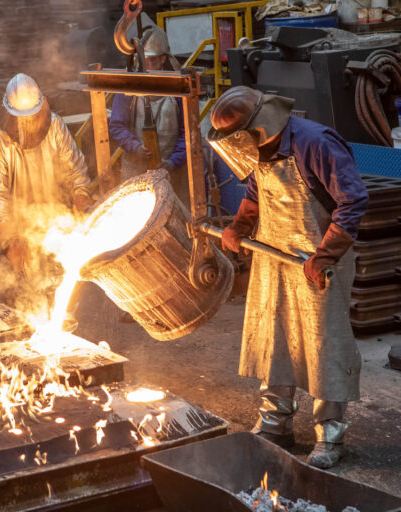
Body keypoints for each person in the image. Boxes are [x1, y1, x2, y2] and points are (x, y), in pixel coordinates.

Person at [208, 86, 368, 469]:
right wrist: (240, 225)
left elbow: (353, 200)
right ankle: (276, 423)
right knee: (273, 336)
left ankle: (330, 436)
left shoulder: (315, 143)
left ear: (257, 128)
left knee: (322, 345)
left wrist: (323, 255)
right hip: (274, 253)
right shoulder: (261, 150)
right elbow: (256, 190)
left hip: (319, 255)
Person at [0, 73, 93, 313]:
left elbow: (74, 168)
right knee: (16, 289)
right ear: (9, 113)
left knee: (58, 278)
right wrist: (9, 238)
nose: (27, 124)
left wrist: (82, 196)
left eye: (32, 117)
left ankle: (59, 328)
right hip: (18, 222)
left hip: (54, 214)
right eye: (21, 118)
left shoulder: (55, 127)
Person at [108, 26, 188, 204]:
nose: (146, 63)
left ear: (163, 58)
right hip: (136, 171)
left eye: (151, 59)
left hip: (171, 172)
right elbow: (116, 126)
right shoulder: (128, 88)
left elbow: (189, 133)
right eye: (142, 58)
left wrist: (173, 162)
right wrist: (135, 146)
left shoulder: (177, 88)